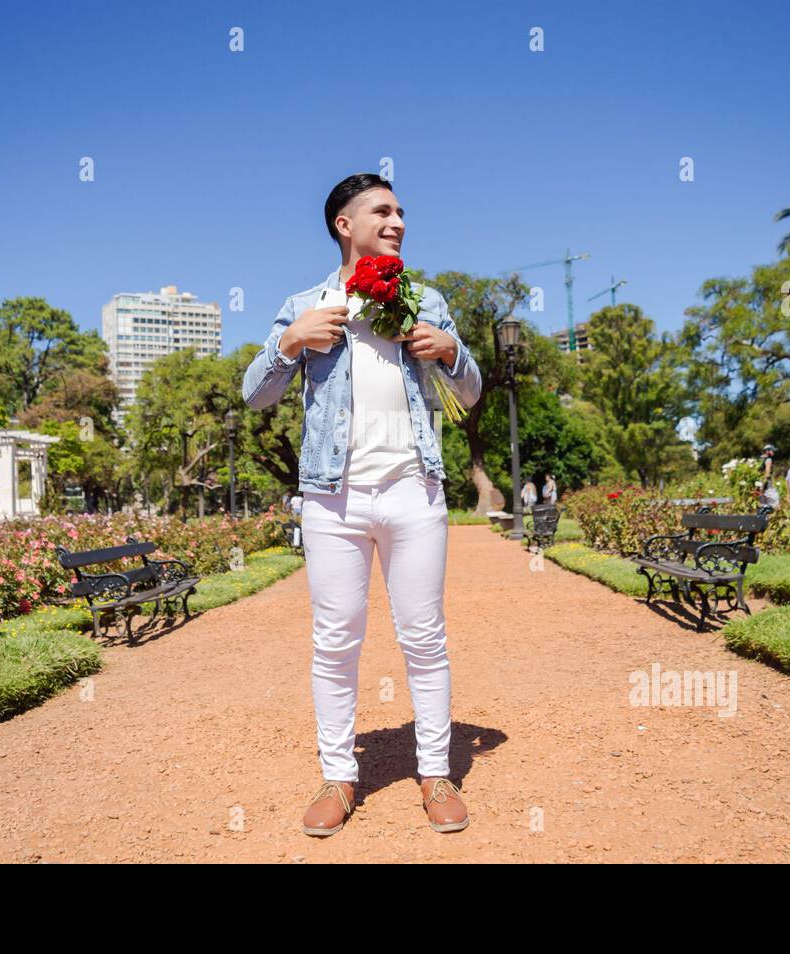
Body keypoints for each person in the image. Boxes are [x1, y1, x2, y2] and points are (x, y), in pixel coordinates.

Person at [241, 172, 483, 838]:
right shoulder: (308, 302)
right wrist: (289, 342)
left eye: (402, 210)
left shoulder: (425, 298)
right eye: (383, 210)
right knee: (335, 641)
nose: (398, 220)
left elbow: (471, 389)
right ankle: (339, 778)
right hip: (332, 497)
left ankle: (435, 774)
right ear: (344, 224)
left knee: (424, 638)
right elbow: (255, 394)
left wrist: (454, 352)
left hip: (414, 490)